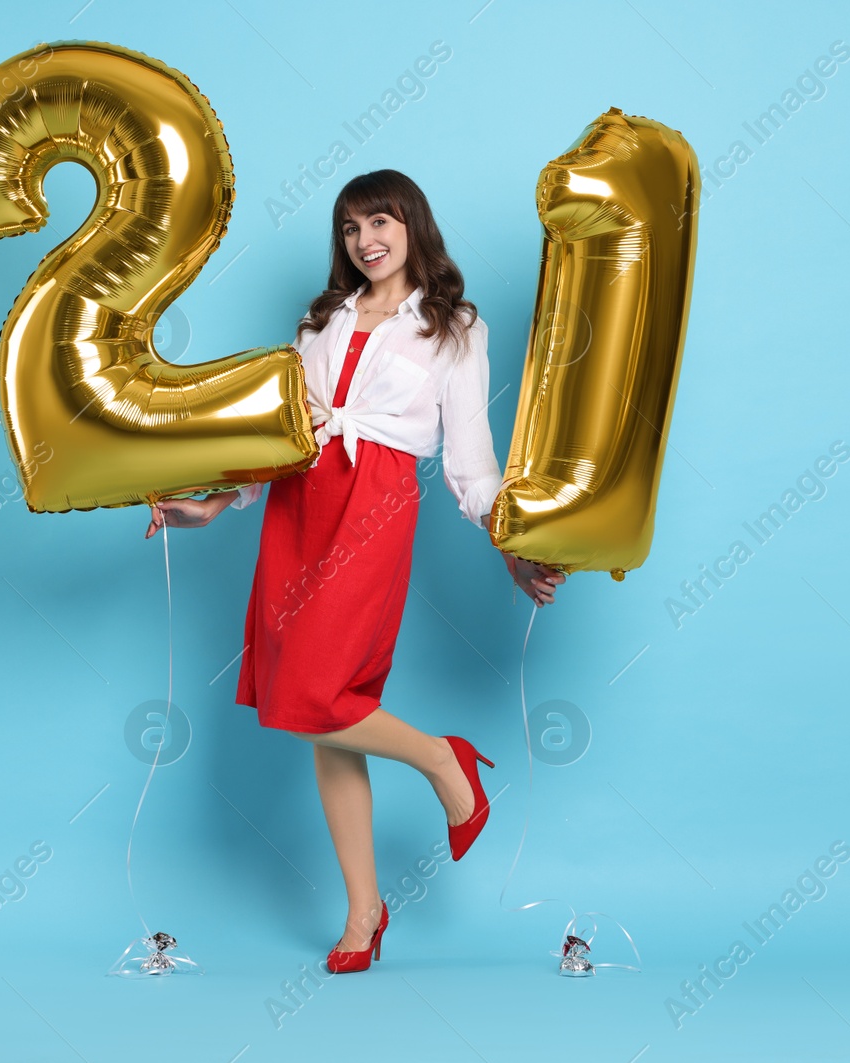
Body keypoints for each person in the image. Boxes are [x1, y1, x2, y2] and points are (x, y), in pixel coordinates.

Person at [143, 169, 564, 973]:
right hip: (299, 504)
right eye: (350, 228)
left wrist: (509, 543)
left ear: (412, 225)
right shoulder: (323, 319)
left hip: (374, 505)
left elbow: (472, 461)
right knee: (319, 710)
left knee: (320, 692)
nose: (366, 240)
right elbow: (283, 432)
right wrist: (213, 503)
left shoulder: (453, 325)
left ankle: (447, 759)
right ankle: (364, 910)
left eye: (381, 221)